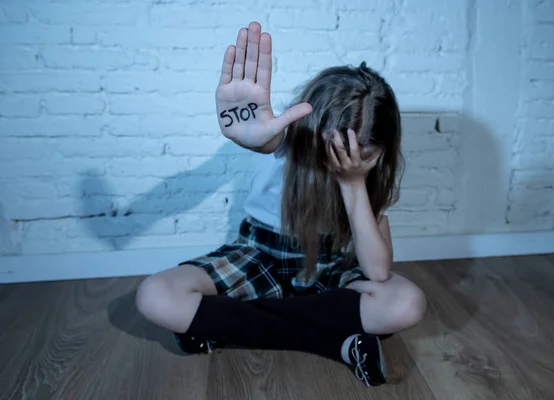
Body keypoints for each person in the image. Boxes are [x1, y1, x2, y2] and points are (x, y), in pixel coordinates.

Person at [135, 21, 426, 388]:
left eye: (360, 155)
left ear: (381, 151)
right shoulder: (289, 134)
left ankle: (220, 325)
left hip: (330, 266)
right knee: (155, 295)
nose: (346, 161)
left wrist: (352, 185)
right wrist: (250, 138)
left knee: (407, 303)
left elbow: (379, 272)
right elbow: (265, 141)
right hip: (260, 254)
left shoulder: (369, 176)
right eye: (334, 151)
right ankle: (336, 341)